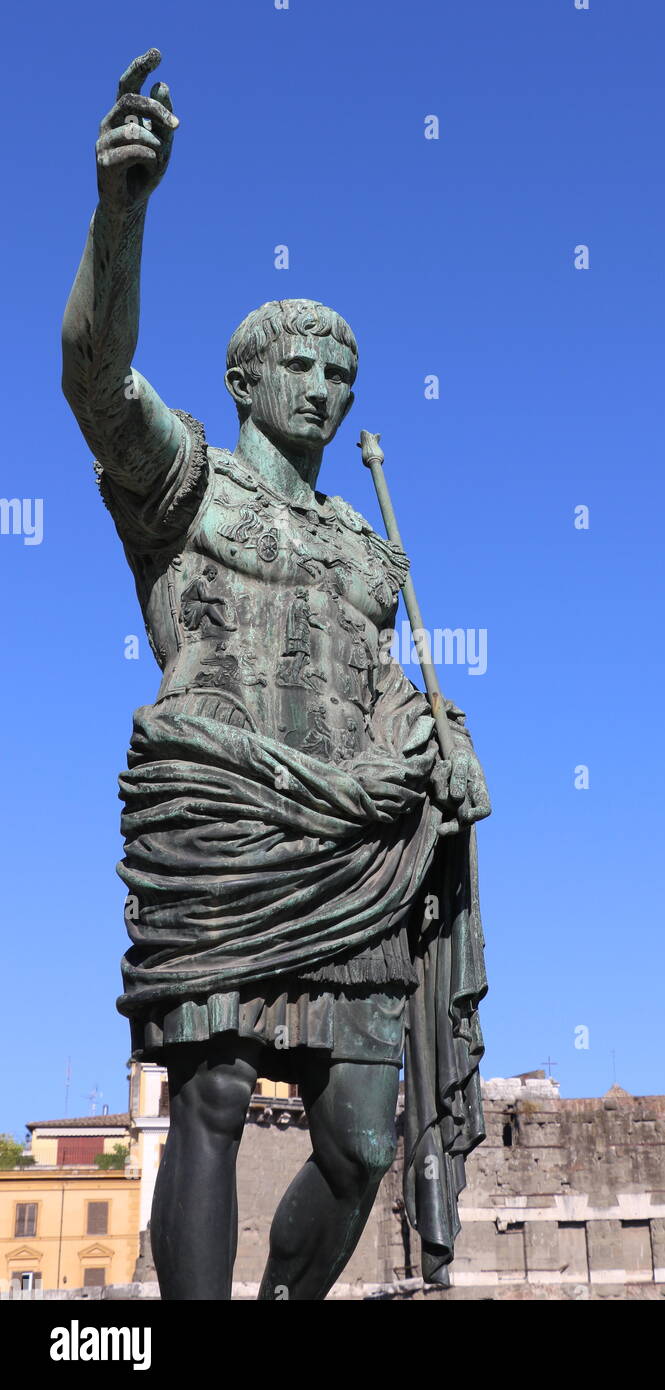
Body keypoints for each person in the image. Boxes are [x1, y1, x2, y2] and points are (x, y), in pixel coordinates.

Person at [61, 50, 491, 1301]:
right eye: (298, 366)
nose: (323, 386)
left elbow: (386, 692)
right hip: (226, 826)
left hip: (353, 847)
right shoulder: (184, 483)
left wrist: (438, 738)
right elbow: (91, 376)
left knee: (361, 1138)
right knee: (205, 1091)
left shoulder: (368, 546)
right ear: (242, 379)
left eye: (340, 372)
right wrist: (122, 211)